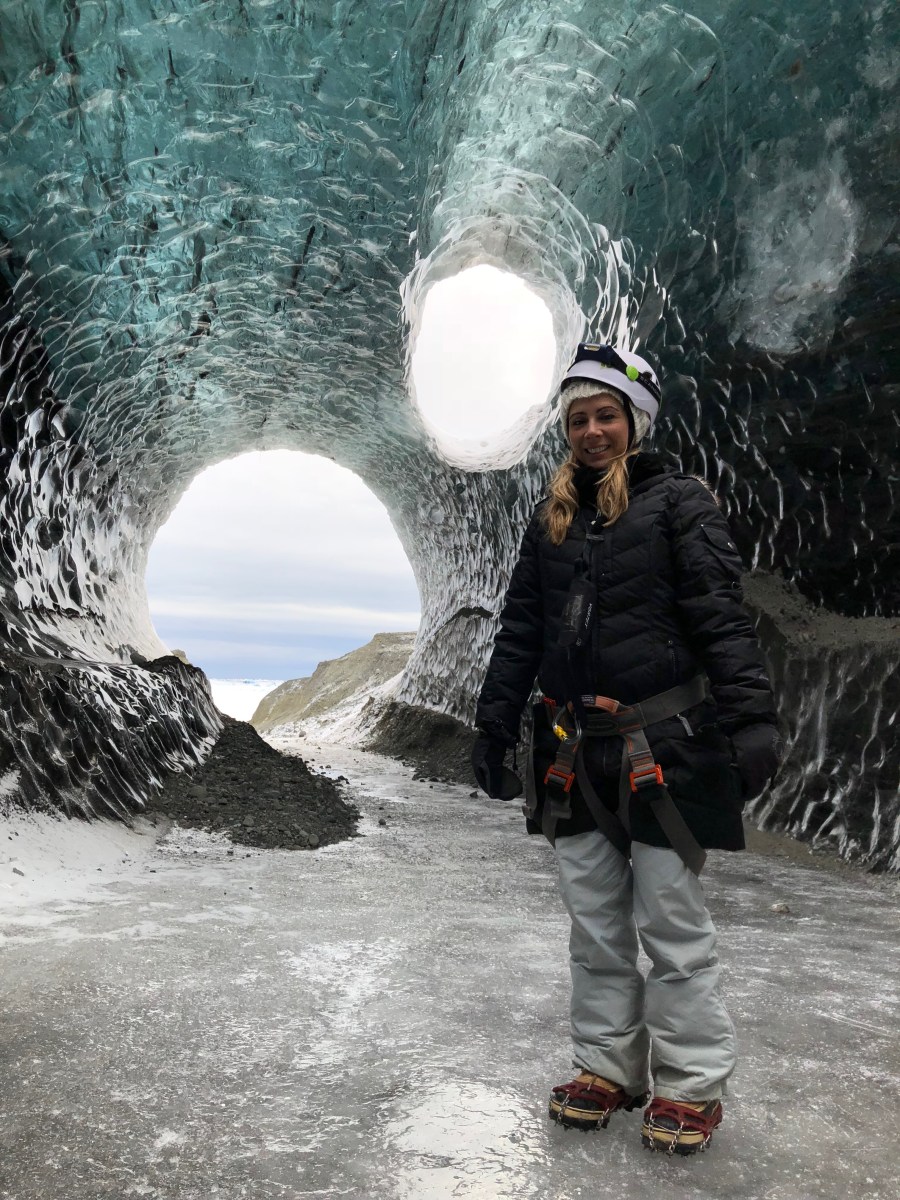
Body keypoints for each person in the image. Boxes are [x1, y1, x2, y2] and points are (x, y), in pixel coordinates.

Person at [472, 342, 783, 1155]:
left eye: (605, 415)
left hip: (666, 749)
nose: (591, 431)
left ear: (634, 421)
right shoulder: (551, 520)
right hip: (573, 755)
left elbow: (720, 617)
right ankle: (606, 1068)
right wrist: (494, 724)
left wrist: (751, 720)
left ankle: (690, 1085)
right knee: (596, 928)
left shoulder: (680, 503)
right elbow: (521, 633)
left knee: (673, 926)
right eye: (578, 419)